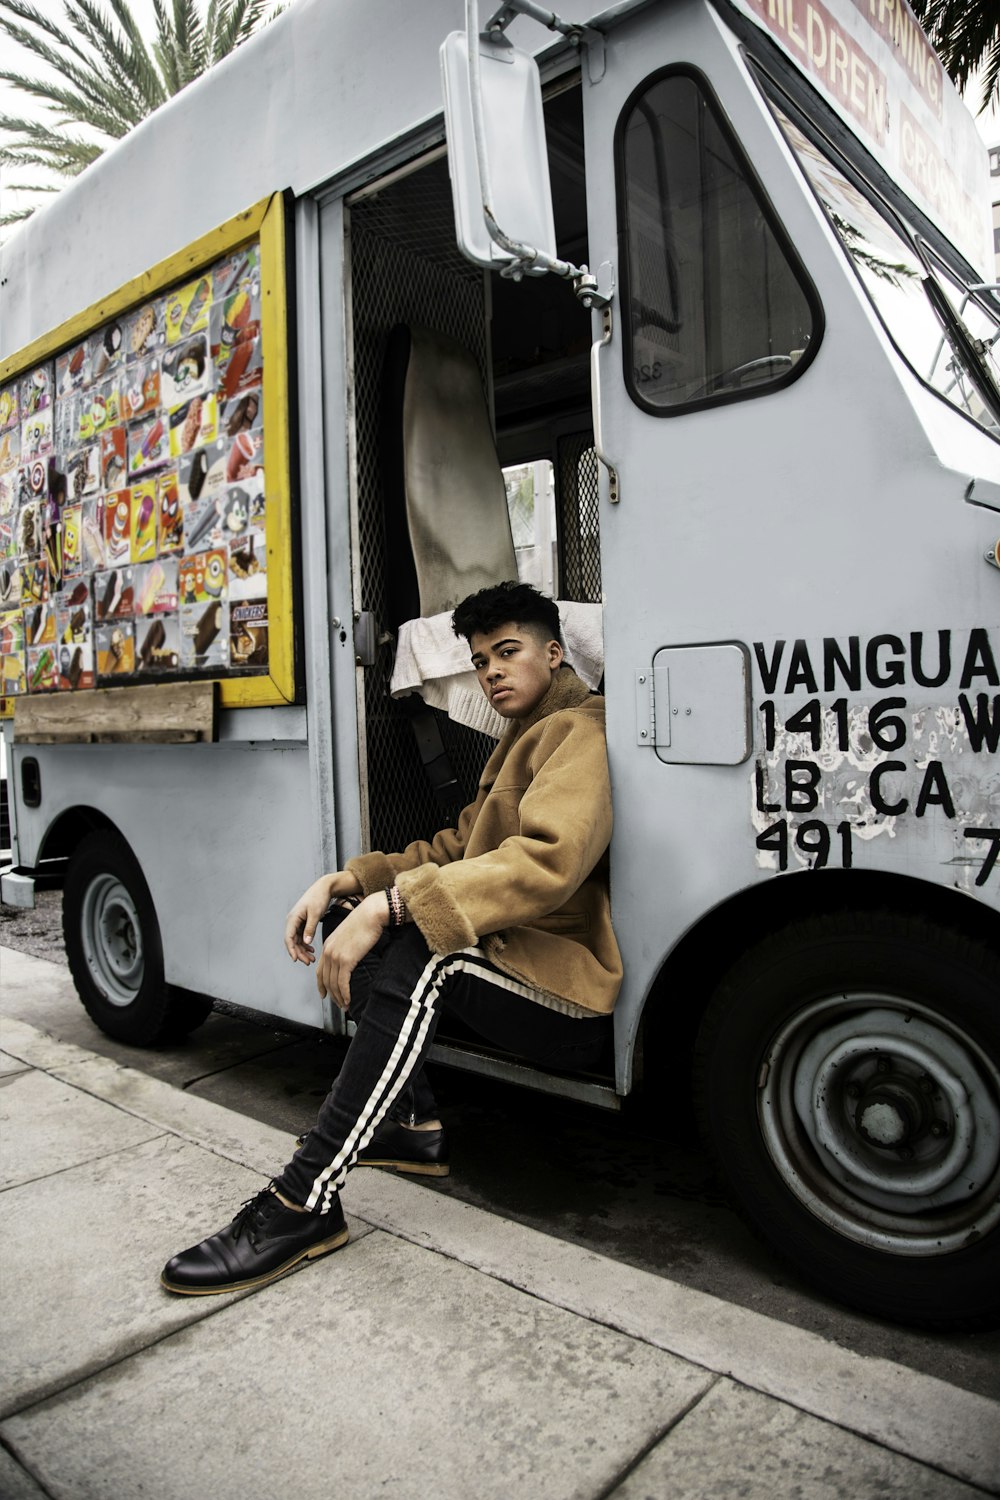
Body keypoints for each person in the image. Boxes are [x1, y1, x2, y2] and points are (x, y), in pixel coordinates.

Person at [161, 581, 622, 1295]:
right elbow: (457, 846)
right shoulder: (520, 739)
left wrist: (395, 906)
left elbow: (547, 863)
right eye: (479, 661)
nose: (492, 671)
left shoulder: (580, 731)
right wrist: (348, 884)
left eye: (508, 652)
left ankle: (301, 1202)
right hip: (513, 960)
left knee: (418, 951)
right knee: (360, 928)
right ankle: (408, 1124)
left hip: (566, 991)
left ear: (554, 653)